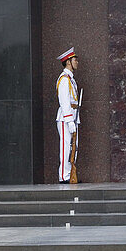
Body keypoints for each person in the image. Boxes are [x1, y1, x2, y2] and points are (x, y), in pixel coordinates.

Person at [55, 48, 80, 184]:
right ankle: (64, 175)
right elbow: (64, 102)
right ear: (68, 62)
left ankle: (71, 174)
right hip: (66, 118)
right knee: (66, 147)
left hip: (73, 116)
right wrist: (70, 121)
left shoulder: (70, 79)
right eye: (75, 60)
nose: (77, 62)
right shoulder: (64, 79)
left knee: (73, 147)